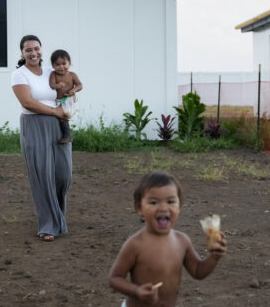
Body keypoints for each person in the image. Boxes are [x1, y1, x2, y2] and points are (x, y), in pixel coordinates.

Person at [109, 170, 227, 307]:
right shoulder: (135, 244)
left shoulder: (182, 241)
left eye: (171, 201)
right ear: (139, 208)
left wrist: (214, 257)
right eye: (153, 202)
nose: (163, 208)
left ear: (179, 206)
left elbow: (198, 271)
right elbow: (114, 278)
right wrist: (137, 291)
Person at [11, 35, 72, 242]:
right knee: (42, 177)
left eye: (36, 48)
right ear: (22, 53)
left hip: (59, 126)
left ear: (41, 50)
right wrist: (54, 112)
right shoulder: (19, 75)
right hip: (34, 126)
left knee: (63, 174)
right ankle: (48, 224)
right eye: (28, 50)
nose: (33, 53)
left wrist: (69, 100)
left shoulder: (51, 72)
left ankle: (58, 216)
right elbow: (27, 102)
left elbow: (66, 90)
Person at [49, 49, 83, 144]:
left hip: (68, 99)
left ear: (69, 63)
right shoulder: (53, 74)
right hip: (58, 100)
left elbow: (80, 85)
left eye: (64, 63)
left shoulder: (72, 75)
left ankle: (67, 135)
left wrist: (74, 90)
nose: (61, 67)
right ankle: (64, 135)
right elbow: (52, 85)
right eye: (57, 64)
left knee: (64, 117)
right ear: (53, 65)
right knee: (59, 117)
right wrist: (57, 85)